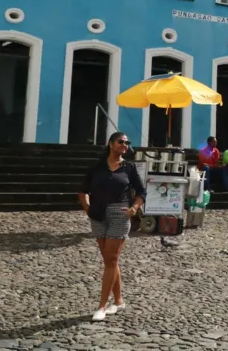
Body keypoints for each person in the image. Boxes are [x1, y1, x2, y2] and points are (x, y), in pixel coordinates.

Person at [78, 132, 145, 322]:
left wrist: (134, 208)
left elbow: (141, 192)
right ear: (110, 143)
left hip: (119, 213)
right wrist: (88, 209)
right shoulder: (97, 167)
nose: (125, 145)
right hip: (98, 214)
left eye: (127, 142)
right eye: (121, 141)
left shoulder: (129, 168)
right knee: (109, 260)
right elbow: (83, 191)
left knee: (111, 259)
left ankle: (102, 306)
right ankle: (119, 300)